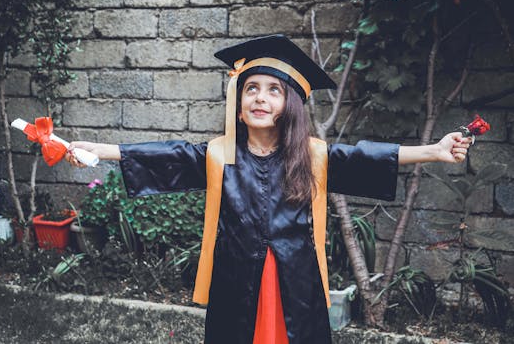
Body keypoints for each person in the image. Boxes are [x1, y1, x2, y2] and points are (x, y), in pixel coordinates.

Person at [66, 35, 471, 344]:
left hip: (296, 280)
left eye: (273, 90)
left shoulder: (312, 155)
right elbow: (166, 155)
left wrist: (434, 152)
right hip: (236, 278)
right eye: (251, 88)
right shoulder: (217, 154)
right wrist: (100, 150)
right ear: (238, 103)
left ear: (289, 104)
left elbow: (367, 156)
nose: (260, 98)